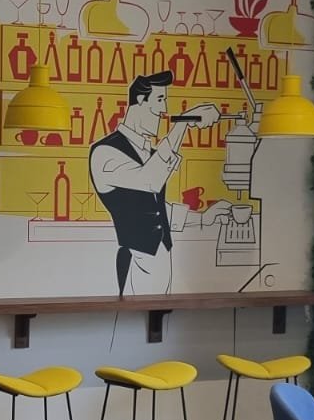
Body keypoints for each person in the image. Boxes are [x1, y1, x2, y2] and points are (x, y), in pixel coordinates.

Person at [88, 70, 218, 294]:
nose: (164, 109)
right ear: (140, 100)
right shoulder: (104, 152)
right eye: (160, 99)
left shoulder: (150, 154)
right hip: (136, 260)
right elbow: (150, 181)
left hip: (162, 261)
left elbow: (154, 208)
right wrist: (183, 123)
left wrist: (205, 218)